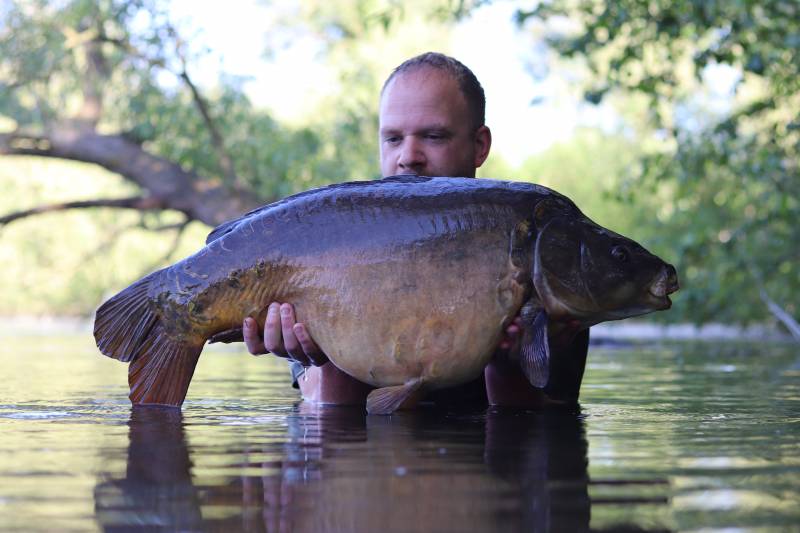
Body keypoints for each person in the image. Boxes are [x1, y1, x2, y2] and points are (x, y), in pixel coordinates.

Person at [242, 52, 586, 407]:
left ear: (479, 146)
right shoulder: (331, 242)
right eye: (393, 139)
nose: (408, 156)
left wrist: (508, 364)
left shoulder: (544, 258)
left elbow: (535, 432)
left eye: (433, 136)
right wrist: (325, 354)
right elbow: (330, 423)